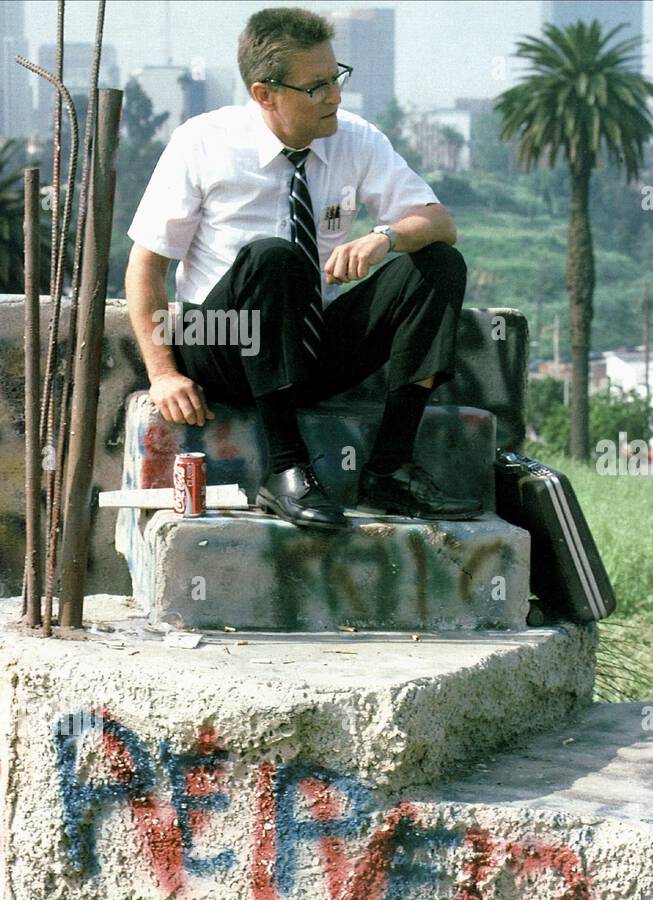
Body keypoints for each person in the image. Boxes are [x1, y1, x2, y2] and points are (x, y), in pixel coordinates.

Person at [125, 6, 480, 529]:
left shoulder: (355, 138)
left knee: (438, 264)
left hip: (310, 346)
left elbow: (438, 221)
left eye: (336, 78)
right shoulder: (202, 143)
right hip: (222, 343)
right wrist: (163, 374)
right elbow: (146, 266)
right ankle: (286, 470)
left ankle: (389, 473)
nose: (335, 96)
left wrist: (384, 237)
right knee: (276, 256)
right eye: (316, 87)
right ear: (265, 94)